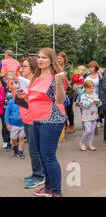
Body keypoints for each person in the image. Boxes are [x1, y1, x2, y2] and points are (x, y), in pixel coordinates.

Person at [17, 47, 67, 197]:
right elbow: (34, 99)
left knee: (49, 157)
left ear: (51, 60)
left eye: (44, 57)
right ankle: (48, 188)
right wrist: (23, 95)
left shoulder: (56, 77)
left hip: (51, 121)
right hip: (36, 119)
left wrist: (59, 83)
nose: (40, 59)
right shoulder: (36, 77)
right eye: (38, 57)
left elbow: (60, 99)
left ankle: (56, 192)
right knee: (42, 155)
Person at [15, 56, 46, 188]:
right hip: (26, 117)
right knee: (32, 148)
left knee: (34, 149)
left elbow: (35, 103)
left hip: (33, 118)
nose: (21, 69)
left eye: (24, 66)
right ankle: (36, 173)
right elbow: (20, 100)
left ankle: (40, 175)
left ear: (32, 68)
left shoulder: (35, 82)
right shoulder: (24, 81)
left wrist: (24, 95)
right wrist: (14, 89)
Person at [79, 80, 102, 151]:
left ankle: (90, 144)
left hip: (94, 116)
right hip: (86, 117)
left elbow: (100, 104)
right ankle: (81, 142)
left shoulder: (95, 95)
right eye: (89, 88)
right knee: (88, 130)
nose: (91, 90)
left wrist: (98, 102)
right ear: (85, 88)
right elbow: (84, 105)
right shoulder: (83, 96)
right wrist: (91, 102)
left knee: (92, 131)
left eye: (92, 88)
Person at [57, 52, 76, 134]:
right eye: (57, 58)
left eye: (60, 58)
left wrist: (66, 84)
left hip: (69, 92)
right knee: (61, 109)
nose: (59, 60)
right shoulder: (56, 67)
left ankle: (72, 125)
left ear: (64, 59)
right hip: (60, 91)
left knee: (69, 110)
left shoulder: (69, 67)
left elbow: (72, 79)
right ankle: (64, 125)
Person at [5, 92, 25, 159]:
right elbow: (7, 114)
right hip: (13, 124)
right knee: (14, 139)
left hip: (22, 124)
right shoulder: (11, 102)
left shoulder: (23, 100)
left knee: (21, 139)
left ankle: (20, 152)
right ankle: (15, 149)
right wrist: (7, 123)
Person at [85, 61, 102, 127]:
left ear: (96, 68)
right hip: (87, 94)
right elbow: (82, 83)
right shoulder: (87, 74)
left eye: (92, 67)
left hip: (96, 93)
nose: (90, 68)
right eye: (89, 67)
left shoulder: (99, 75)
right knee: (89, 108)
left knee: (97, 108)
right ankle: (90, 121)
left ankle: (99, 120)